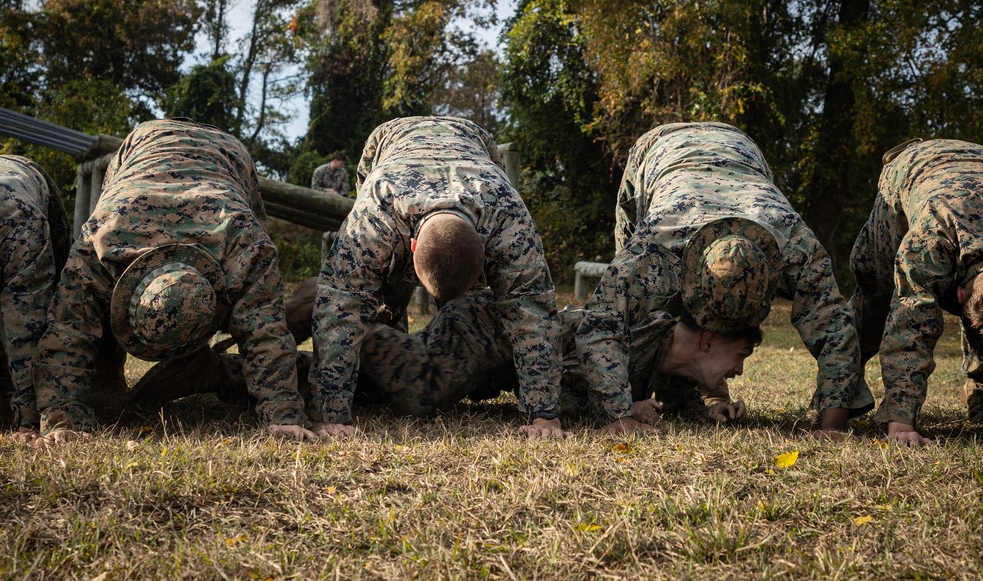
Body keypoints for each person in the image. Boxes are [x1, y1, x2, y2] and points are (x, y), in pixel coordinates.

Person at [31, 118, 318, 444]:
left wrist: (283, 417)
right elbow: (68, 330)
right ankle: (107, 375)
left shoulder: (246, 244)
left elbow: (265, 332)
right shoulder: (101, 239)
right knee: (89, 301)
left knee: (254, 300)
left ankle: (207, 367)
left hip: (228, 156)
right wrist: (62, 418)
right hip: (142, 145)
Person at [577, 121, 874, 435]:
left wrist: (832, 427)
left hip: (743, 152)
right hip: (656, 151)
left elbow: (836, 330)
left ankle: (687, 390)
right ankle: (644, 387)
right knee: (640, 317)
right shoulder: (657, 243)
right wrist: (618, 414)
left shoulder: (794, 245)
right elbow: (602, 322)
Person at [127, 287, 760, 432]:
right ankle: (346, 314)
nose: (737, 370)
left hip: (493, 358)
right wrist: (619, 409)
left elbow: (670, 398)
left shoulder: (669, 365)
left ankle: (220, 374)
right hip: (487, 330)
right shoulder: (632, 335)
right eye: (737, 356)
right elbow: (561, 388)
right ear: (705, 340)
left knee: (375, 397)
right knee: (417, 393)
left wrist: (704, 411)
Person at [308, 116, 566, 438]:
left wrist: (543, 416)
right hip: (389, 142)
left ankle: (382, 363)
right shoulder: (373, 217)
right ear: (409, 247)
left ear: (489, 250)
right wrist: (330, 414)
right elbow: (339, 306)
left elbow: (532, 309)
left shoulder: (508, 217)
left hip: (475, 142)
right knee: (372, 286)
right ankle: (386, 334)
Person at [850, 138, 983, 446]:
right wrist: (901, 420)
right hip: (911, 168)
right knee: (877, 295)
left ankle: (980, 387)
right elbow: (910, 321)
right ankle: (837, 393)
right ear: (958, 296)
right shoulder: (929, 244)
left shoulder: (962, 278)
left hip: (974, 161)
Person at [0, 155, 71, 432]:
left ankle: (107, 371)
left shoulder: (19, 225)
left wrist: (33, 417)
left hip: (24, 178)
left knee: (62, 292)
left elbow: (27, 319)